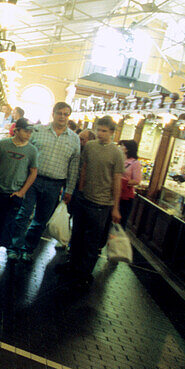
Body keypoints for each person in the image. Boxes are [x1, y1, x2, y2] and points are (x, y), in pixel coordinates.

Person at [9, 102, 80, 261]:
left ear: (69, 116)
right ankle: (14, 247)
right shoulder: (37, 131)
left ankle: (28, 248)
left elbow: (74, 167)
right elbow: (24, 151)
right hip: (32, 180)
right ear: (53, 113)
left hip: (55, 185)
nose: (62, 117)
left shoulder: (74, 139)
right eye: (59, 113)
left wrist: (69, 190)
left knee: (41, 220)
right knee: (23, 214)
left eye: (66, 114)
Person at [61, 115, 123, 290]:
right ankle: (72, 264)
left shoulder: (116, 153)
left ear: (112, 132)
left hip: (102, 204)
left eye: (104, 131)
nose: (100, 133)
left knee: (92, 241)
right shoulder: (89, 146)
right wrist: (80, 190)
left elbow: (117, 180)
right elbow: (84, 168)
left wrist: (115, 207)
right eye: (98, 130)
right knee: (77, 235)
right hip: (84, 199)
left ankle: (84, 272)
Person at [0, 117, 38, 268]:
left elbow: (33, 172)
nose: (28, 134)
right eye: (26, 131)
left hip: (14, 194)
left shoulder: (32, 151)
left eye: (30, 132)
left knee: (6, 223)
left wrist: (22, 192)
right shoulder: (3, 144)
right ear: (17, 130)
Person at [118, 139, 142, 227]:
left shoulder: (135, 163)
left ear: (127, 149)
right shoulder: (120, 159)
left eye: (122, 146)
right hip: (115, 193)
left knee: (121, 221)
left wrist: (122, 182)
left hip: (125, 196)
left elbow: (137, 180)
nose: (120, 147)